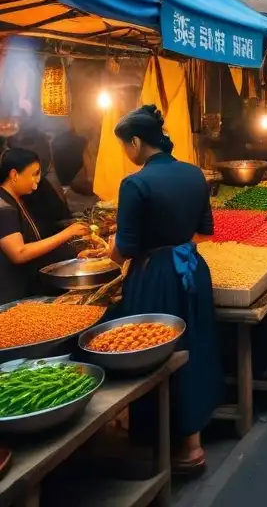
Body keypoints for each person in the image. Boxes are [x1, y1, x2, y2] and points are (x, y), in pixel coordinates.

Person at [81, 106, 221, 474]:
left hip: (156, 275)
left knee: (150, 354)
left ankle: (151, 445)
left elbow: (125, 248)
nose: (126, 153)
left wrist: (108, 247)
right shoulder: (194, 174)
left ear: (136, 141)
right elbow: (206, 231)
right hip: (192, 268)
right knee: (195, 346)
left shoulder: (135, 183)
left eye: (124, 146)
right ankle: (193, 443)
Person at [0, 148, 89, 304]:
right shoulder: (4, 208)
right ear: (14, 175)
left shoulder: (18, 200)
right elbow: (19, 253)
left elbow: (35, 243)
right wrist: (67, 233)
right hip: (11, 294)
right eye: (34, 173)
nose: (38, 180)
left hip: (28, 286)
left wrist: (72, 255)